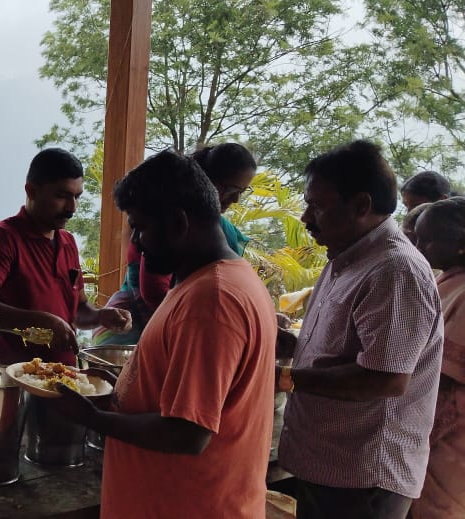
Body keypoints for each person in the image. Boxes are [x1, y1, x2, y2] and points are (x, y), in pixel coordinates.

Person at [53, 150, 277, 517]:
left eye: (140, 227)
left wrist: (91, 418)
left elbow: (187, 432)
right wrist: (119, 390)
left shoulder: (213, 299)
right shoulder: (208, 282)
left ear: (178, 222)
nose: (137, 242)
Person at [277, 140, 443, 519]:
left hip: (362, 476)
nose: (305, 217)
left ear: (361, 206)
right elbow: (347, 348)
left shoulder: (394, 270)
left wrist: (283, 378)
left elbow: (385, 379)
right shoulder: (346, 258)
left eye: (317, 206)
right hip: (329, 463)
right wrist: (289, 344)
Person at [0, 148, 131, 365]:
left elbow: (78, 310)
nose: (72, 208)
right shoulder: (2, 238)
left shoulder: (68, 243)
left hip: (64, 378)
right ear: (31, 191)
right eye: (61, 196)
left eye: (77, 197)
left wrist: (101, 316)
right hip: (12, 379)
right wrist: (41, 321)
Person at [94, 142, 256, 346]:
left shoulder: (216, 287)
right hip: (131, 328)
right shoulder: (158, 226)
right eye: (232, 189)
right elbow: (153, 290)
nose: (237, 199)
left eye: (243, 191)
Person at [409, 197, 465, 518]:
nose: (418, 247)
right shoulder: (446, 280)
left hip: (451, 431)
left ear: (460, 243)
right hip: (427, 422)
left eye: (427, 240)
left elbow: (440, 373)